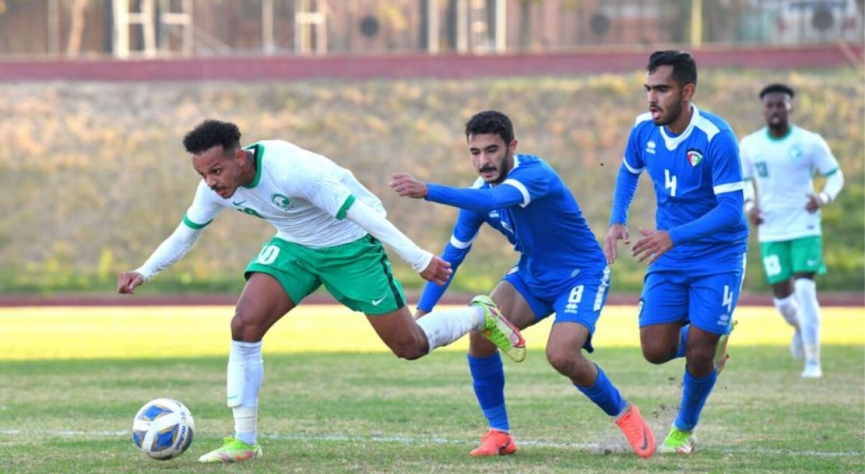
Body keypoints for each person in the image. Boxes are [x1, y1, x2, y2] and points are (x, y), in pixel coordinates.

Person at [116, 119, 527, 464]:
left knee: (410, 346)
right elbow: (186, 233)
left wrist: (418, 258)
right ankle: (243, 441)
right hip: (295, 248)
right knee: (244, 324)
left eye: (216, 172)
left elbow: (362, 213)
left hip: (351, 244)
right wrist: (144, 271)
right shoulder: (214, 187)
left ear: (239, 158)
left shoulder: (294, 170)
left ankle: (479, 315)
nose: (210, 182)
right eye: (202, 175)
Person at [390, 110, 655, 459]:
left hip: (582, 273)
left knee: (561, 355)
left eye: (492, 150)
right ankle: (499, 434)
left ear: (511, 146)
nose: (483, 162)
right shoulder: (477, 195)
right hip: (532, 274)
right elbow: (451, 257)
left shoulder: (534, 175)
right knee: (481, 332)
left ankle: (624, 413)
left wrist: (427, 191)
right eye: (475, 153)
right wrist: (422, 312)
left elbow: (490, 200)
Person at [603, 50, 748, 455]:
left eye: (662, 89)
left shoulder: (716, 138)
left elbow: (732, 213)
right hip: (671, 254)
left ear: (687, 91)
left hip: (718, 256)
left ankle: (683, 428)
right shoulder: (642, 130)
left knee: (700, 353)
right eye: (648, 88)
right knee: (655, 350)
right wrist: (617, 220)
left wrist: (674, 236)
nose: (652, 98)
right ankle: (710, 333)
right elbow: (628, 171)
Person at [739, 83, 844, 379]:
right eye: (770, 105)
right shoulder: (749, 145)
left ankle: (813, 361)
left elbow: (835, 176)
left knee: (805, 290)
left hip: (805, 226)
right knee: (785, 303)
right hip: (771, 229)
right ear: (763, 109)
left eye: (780, 104)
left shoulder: (810, 142)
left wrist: (822, 198)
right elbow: (745, 180)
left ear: (790, 107)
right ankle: (799, 326)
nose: (775, 110)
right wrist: (749, 205)